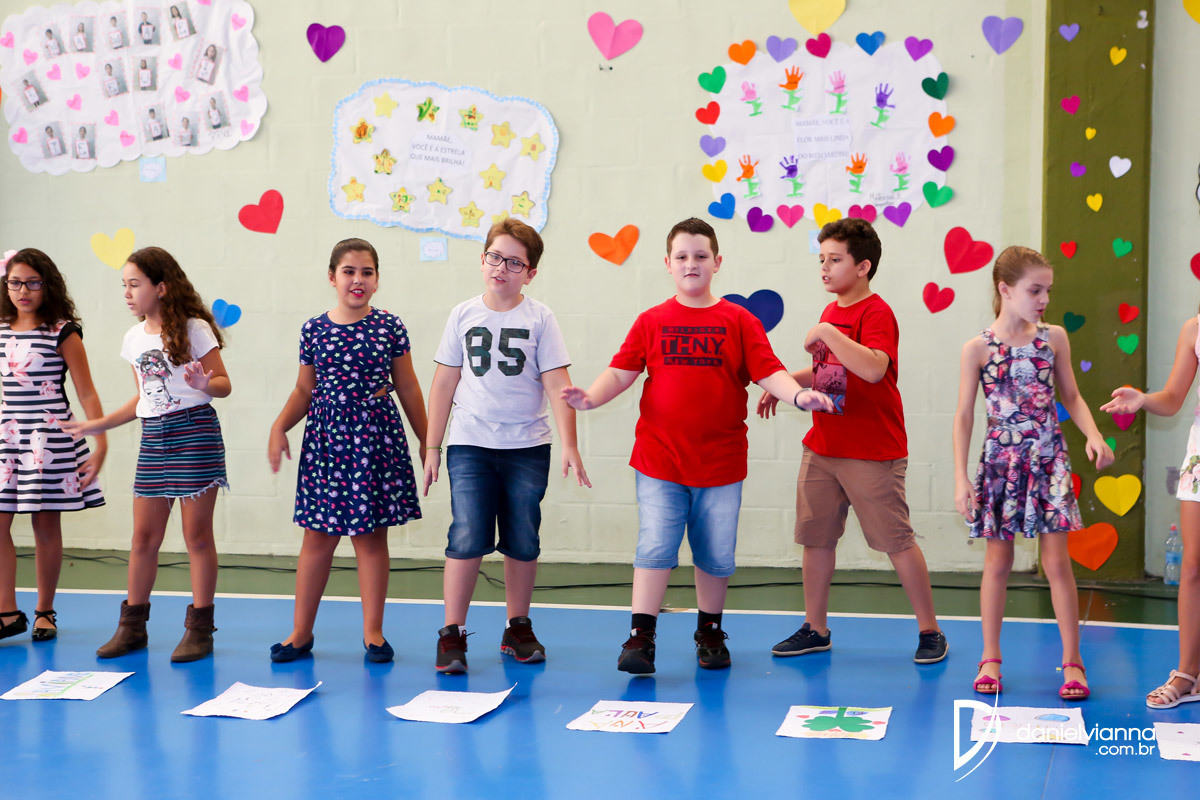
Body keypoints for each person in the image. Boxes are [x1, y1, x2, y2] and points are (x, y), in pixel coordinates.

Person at [563, 217, 832, 674]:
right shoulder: (651, 321)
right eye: (682, 256)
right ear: (668, 264)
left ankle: (709, 631)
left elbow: (769, 370)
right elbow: (621, 372)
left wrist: (798, 395)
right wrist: (590, 398)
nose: (691, 263)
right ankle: (641, 637)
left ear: (717, 262)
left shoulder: (739, 320)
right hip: (660, 460)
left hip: (720, 464)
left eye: (701, 256)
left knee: (716, 554)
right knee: (655, 547)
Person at [762, 218, 949, 664]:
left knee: (897, 541)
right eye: (821, 260)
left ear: (863, 267)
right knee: (816, 539)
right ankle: (815, 628)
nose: (824, 268)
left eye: (835, 260)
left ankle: (931, 631)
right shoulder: (832, 313)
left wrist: (827, 333)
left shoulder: (876, 313)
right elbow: (831, 374)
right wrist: (786, 382)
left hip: (871, 452)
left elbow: (873, 368)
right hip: (823, 447)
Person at [423, 219, 590, 674]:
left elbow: (558, 384)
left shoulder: (540, 318)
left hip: (527, 447)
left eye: (515, 262)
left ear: (530, 273)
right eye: (495, 257)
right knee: (467, 534)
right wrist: (433, 446)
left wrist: (570, 444)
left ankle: (517, 626)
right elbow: (444, 383)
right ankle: (452, 632)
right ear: (482, 260)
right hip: (470, 444)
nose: (502, 268)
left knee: (522, 537)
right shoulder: (462, 315)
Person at [954, 246, 1113, 699]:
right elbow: (963, 416)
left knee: (1058, 563)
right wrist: (961, 477)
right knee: (998, 562)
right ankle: (990, 657)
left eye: (1048, 291)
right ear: (1005, 289)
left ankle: (1073, 662)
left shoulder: (1053, 338)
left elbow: (1072, 397)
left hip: (1048, 461)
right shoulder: (977, 349)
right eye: (1035, 290)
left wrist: (1093, 434)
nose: (1044, 300)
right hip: (1001, 465)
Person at [62, 247, 231, 662]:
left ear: (161, 287)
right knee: (143, 538)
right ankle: (132, 626)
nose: (127, 292)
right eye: (124, 285)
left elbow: (224, 384)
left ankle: (200, 630)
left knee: (196, 536)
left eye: (134, 284)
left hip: (194, 433)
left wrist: (204, 383)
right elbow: (143, 399)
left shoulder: (194, 329)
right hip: (154, 438)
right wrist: (99, 424)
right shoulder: (133, 338)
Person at [268, 239, 427, 664]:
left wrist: (428, 440)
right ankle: (301, 632)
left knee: (370, 538)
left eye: (367, 272)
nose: (358, 280)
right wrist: (279, 426)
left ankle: (373, 632)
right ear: (332, 277)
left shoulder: (389, 326)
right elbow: (304, 390)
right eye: (349, 271)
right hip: (327, 441)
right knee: (317, 537)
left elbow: (408, 386)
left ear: (377, 279)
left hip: (374, 438)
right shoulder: (313, 329)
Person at [0, 249, 106, 644]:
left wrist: (100, 441)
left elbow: (87, 393)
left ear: (48, 285)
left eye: (32, 282)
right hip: (8, 438)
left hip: (49, 439)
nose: (23, 291)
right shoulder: (1, 330)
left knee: (45, 525)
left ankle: (45, 610)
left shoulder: (63, 332)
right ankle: (7, 611)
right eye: (15, 283)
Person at [1102, 314, 1200, 708]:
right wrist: (1143, 399)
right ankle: (1188, 675)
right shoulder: (1194, 328)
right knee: (1193, 567)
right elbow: (1173, 398)